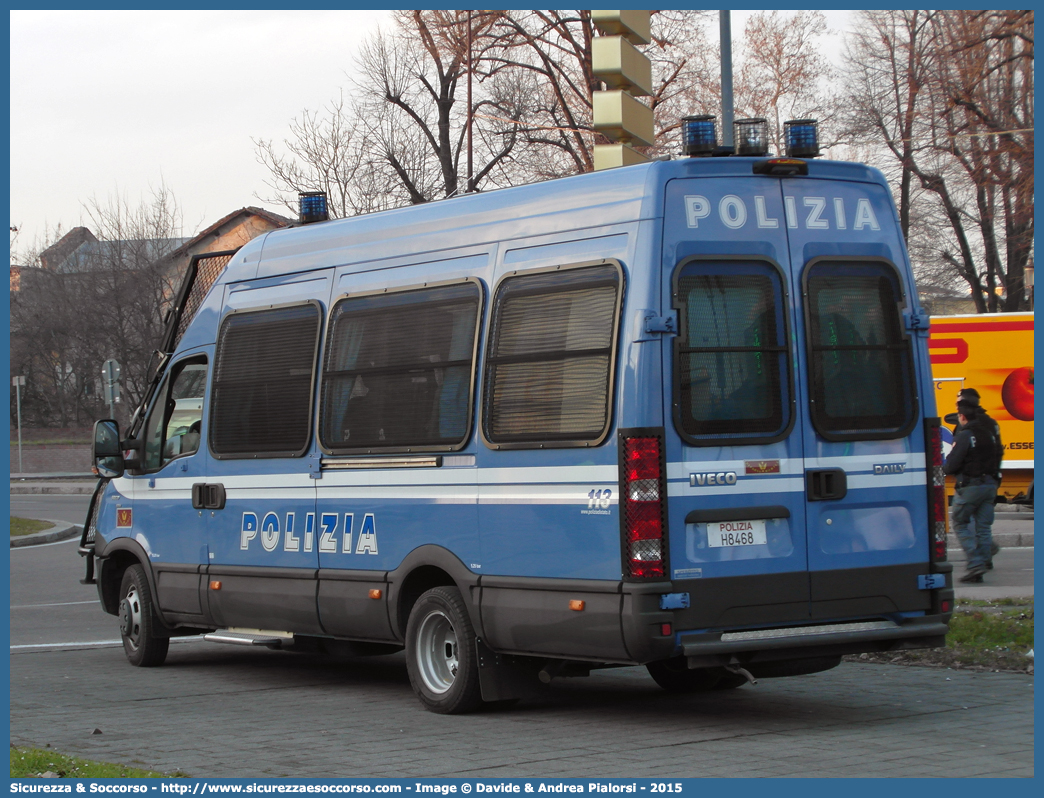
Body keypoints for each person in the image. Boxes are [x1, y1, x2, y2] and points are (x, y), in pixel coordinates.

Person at [945, 388, 1004, 567]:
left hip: (969, 482)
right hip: (989, 481)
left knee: (962, 521)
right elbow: (998, 451)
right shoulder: (991, 424)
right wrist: (995, 475)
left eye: (958, 402)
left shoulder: (967, 428)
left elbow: (955, 459)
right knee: (983, 526)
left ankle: (976, 559)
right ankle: (985, 558)